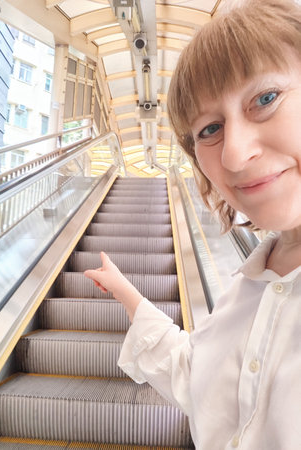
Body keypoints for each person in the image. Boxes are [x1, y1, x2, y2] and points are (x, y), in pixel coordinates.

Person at [84, 0, 301, 448]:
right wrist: (128, 294)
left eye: (266, 98)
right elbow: (198, 374)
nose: (234, 155)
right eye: (208, 130)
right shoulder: (245, 289)